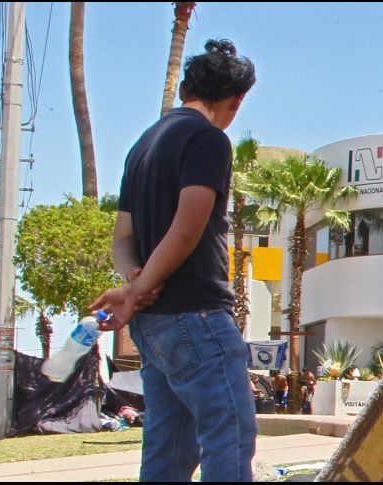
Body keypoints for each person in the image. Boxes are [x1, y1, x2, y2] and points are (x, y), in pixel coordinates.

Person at [89, 38, 257, 482]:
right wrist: (136, 290)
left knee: (168, 448)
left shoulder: (143, 145)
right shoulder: (208, 140)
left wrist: (134, 281)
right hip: (197, 315)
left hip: (154, 325)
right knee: (230, 435)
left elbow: (122, 238)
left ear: (186, 88)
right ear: (235, 100)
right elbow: (188, 228)